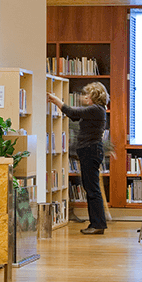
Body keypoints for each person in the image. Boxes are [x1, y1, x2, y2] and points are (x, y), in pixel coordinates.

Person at [47, 82, 109, 235]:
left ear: (94, 97)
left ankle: (98, 224)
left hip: (90, 151)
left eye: (87, 95)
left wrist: (55, 100)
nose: (83, 98)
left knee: (92, 189)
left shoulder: (96, 109)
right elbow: (75, 117)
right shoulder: (95, 110)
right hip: (89, 151)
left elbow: (72, 112)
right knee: (91, 188)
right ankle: (96, 223)